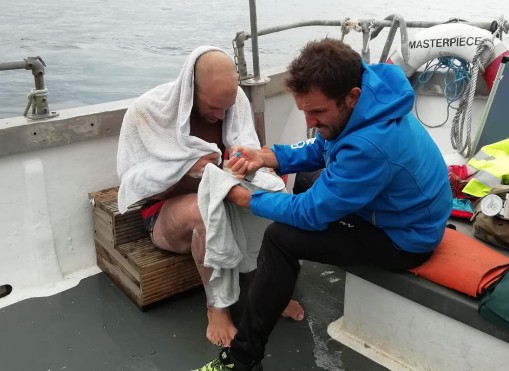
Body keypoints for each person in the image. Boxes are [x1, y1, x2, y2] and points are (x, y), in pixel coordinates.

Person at [206, 38, 452, 370]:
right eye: (304, 110)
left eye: (317, 112)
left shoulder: (370, 144)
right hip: (392, 211)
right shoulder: (369, 101)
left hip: (404, 238)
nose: (309, 122)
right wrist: (267, 156)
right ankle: (273, 296)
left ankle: (241, 360)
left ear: (351, 97)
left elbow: (310, 212)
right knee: (308, 184)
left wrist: (245, 198)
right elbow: (323, 146)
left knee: (281, 238)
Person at [116, 46, 304, 349]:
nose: (220, 116)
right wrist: (187, 171)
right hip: (168, 214)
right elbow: (134, 183)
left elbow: (247, 147)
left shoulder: (233, 101)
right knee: (203, 212)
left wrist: (244, 163)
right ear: (191, 90)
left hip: (226, 197)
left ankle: (265, 289)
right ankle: (217, 306)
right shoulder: (147, 112)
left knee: (274, 193)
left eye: (226, 109)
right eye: (213, 108)